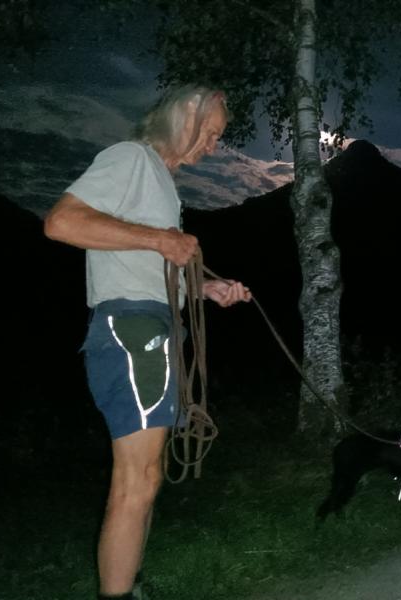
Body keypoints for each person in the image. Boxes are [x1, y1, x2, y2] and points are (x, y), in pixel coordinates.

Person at [44, 84, 251, 599]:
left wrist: (204, 290)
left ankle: (129, 585)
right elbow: (62, 222)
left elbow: (145, 267)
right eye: (211, 132)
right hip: (131, 330)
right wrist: (160, 239)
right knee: (136, 479)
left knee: (149, 476)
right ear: (187, 112)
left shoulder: (161, 181)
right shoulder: (131, 158)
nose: (213, 146)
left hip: (154, 325)